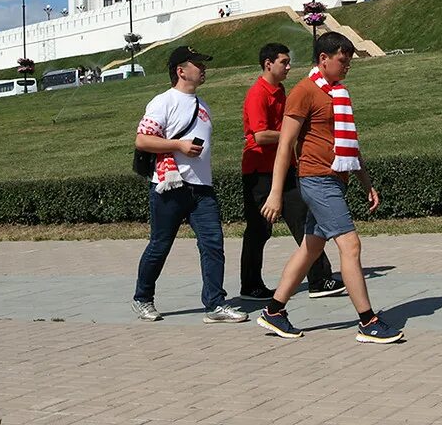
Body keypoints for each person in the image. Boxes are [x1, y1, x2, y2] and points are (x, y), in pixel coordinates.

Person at [257, 32, 404, 344]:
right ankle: (368, 321)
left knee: (311, 248)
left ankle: (274, 311)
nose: (347, 65)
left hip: (335, 179)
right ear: (323, 59)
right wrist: (275, 192)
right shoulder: (304, 92)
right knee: (350, 246)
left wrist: (366, 183)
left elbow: (349, 144)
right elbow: (285, 145)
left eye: (349, 60)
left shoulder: (337, 93)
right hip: (317, 180)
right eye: (342, 60)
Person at [132, 46, 248, 324]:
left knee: (213, 244)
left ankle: (215, 304)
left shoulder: (203, 104)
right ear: (181, 71)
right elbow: (142, 140)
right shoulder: (163, 102)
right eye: (197, 64)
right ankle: (142, 298)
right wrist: (178, 145)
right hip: (170, 186)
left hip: (202, 187)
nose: (203, 69)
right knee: (160, 244)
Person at [240, 43, 345, 301]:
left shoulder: (281, 90)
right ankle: (250, 285)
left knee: (305, 221)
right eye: (284, 62)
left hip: (285, 168)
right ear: (268, 64)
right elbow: (260, 135)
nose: (288, 67)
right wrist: (295, 132)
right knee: (258, 229)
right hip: (259, 173)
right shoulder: (258, 94)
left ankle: (319, 280)